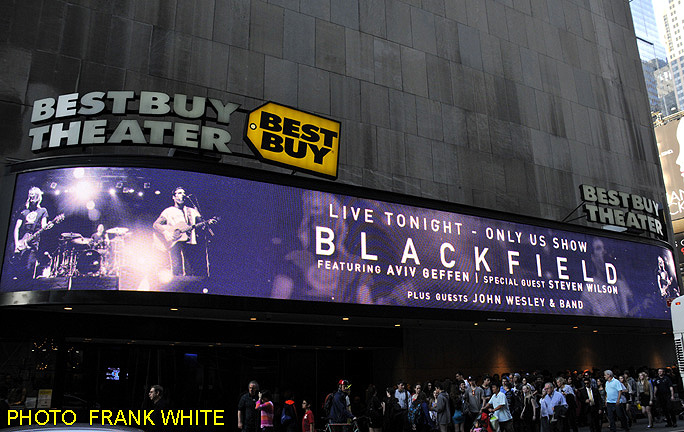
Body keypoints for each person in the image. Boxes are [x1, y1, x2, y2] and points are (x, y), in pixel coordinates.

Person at [271, 190, 373, 303]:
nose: (319, 222)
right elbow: (277, 299)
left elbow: (367, 304)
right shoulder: (295, 260)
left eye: (325, 216)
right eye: (313, 217)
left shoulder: (354, 264)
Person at [153, 186, 207, 276]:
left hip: (190, 241)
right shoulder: (168, 211)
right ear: (173, 197)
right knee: (177, 265)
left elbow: (202, 223)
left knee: (190, 267)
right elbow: (156, 224)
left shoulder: (192, 211)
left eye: (183, 193)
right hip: (175, 240)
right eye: (179, 193)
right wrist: (165, 232)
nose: (182, 195)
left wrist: (207, 223)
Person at [12, 186, 51, 279]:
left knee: (29, 268)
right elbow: (16, 228)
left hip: (33, 243)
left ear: (38, 197)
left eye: (33, 196)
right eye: (30, 196)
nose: (31, 198)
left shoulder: (42, 211)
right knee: (18, 271)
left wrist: (48, 226)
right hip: (21, 243)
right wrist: (17, 243)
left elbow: (43, 226)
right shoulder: (24, 211)